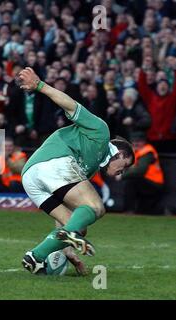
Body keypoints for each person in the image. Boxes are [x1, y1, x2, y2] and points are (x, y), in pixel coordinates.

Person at [16, 67, 135, 275]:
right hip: (54, 161)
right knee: (96, 207)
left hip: (31, 177)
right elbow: (70, 105)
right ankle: (66, 236)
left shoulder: (89, 168)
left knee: (77, 225)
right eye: (124, 166)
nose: (121, 173)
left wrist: (68, 248)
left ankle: (36, 257)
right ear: (119, 153)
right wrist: (40, 86)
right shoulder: (101, 132)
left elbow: (63, 216)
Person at [121, 131, 165, 214]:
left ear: (144, 142)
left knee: (131, 182)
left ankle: (129, 210)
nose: (136, 143)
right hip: (146, 183)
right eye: (134, 141)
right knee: (143, 211)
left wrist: (122, 176)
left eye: (139, 141)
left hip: (154, 184)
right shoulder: (135, 151)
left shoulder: (147, 151)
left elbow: (140, 171)